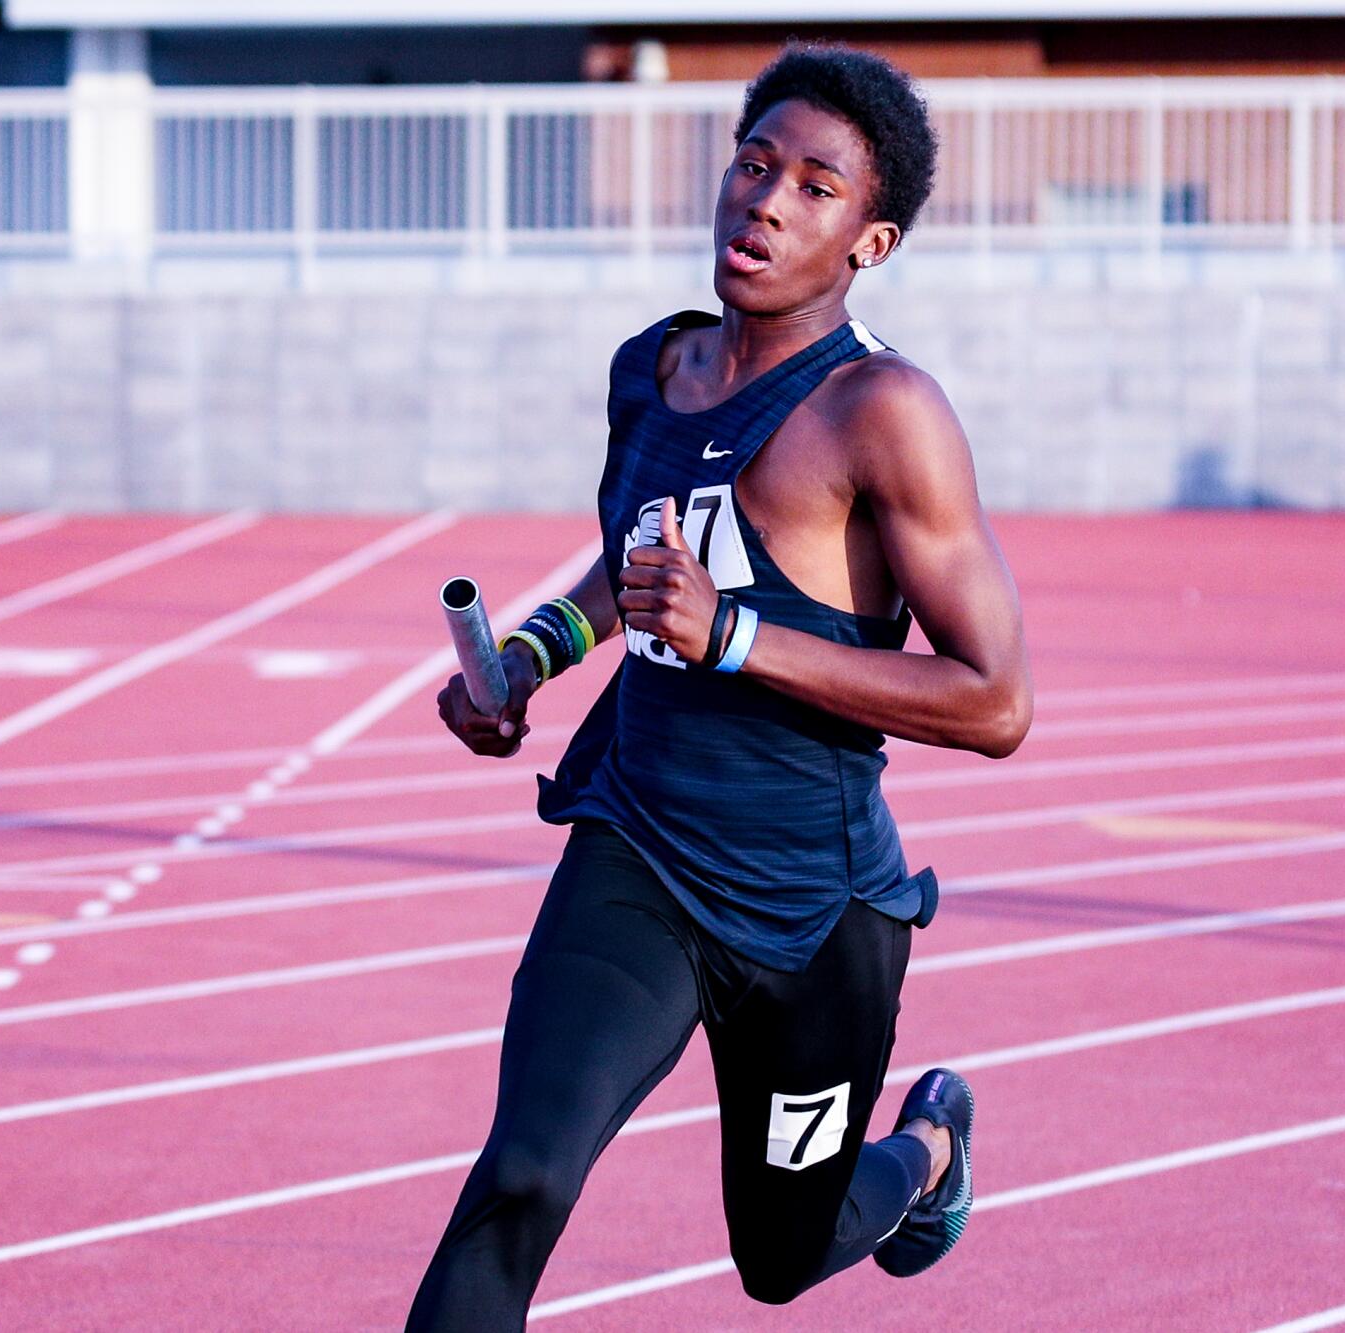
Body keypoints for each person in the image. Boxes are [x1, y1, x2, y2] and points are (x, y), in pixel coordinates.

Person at [412, 43, 1031, 1329]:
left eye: (813, 187)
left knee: (778, 1257)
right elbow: (628, 564)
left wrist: (733, 639)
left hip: (809, 916)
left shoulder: (884, 411)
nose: (764, 202)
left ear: (870, 242)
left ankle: (927, 1153)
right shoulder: (652, 368)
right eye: (754, 165)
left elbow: (993, 700)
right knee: (518, 1177)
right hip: (636, 852)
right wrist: (522, 661)